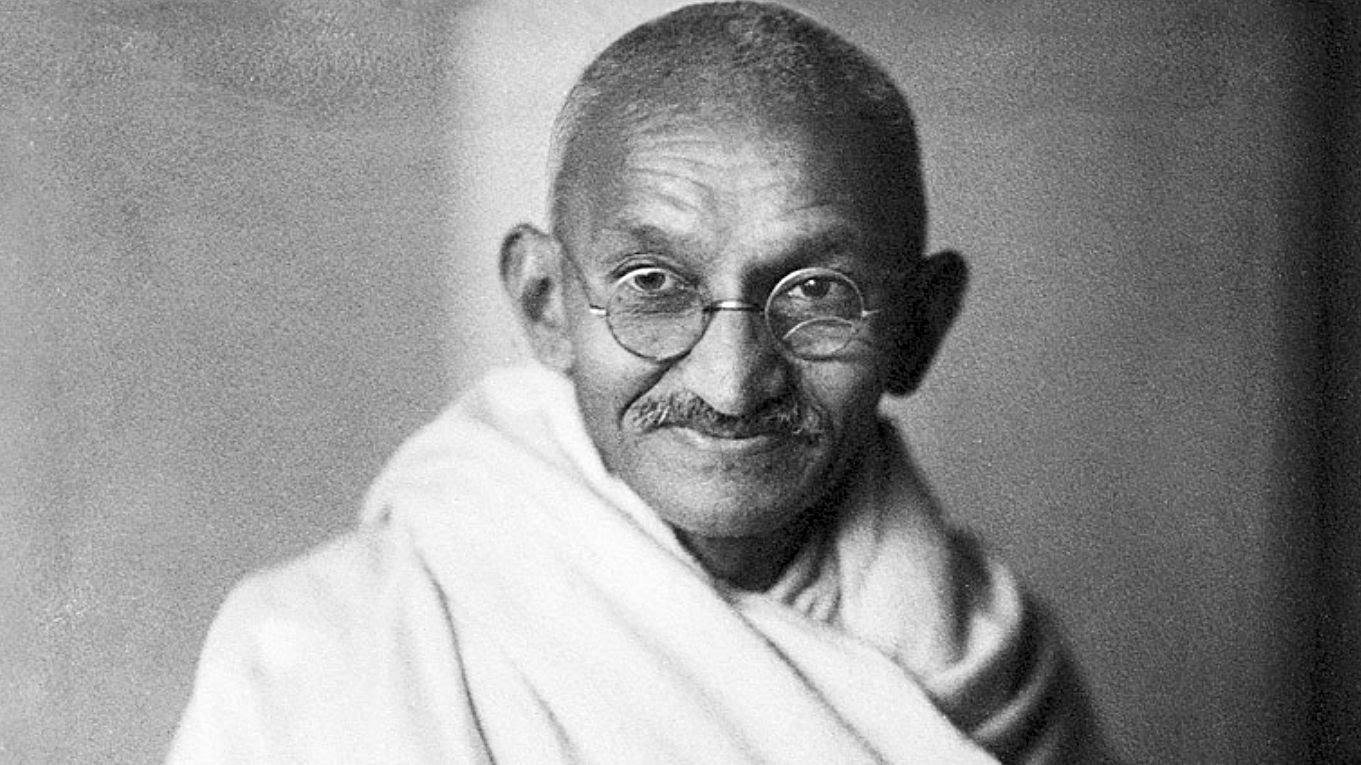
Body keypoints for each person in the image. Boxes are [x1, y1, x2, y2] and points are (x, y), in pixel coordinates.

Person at [170, 3, 1113, 763]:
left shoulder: (997, 666)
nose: (733, 382)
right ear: (546, 303)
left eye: (815, 292)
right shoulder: (318, 647)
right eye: (653, 285)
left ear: (917, 327)